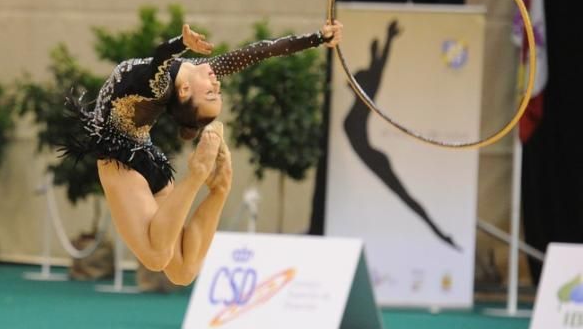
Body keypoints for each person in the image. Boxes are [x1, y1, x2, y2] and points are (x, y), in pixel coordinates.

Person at [65, 19, 342, 285]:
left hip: (125, 157)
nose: (217, 85)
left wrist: (180, 44)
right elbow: (260, 51)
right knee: (168, 263)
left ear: (185, 91)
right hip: (131, 158)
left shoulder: (159, 81)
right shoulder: (196, 71)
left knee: (179, 269)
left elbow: (160, 58)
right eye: (216, 93)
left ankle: (210, 183)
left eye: (211, 94)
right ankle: (209, 182)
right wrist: (316, 38)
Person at [342, 20, 458, 249]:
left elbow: (378, 71)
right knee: (403, 198)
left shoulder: (366, 100)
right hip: (372, 156)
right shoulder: (359, 101)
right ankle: (440, 233)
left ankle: (440, 233)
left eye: (358, 81)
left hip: (374, 158)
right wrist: (374, 52)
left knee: (405, 198)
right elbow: (374, 69)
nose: (353, 84)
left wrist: (388, 40)